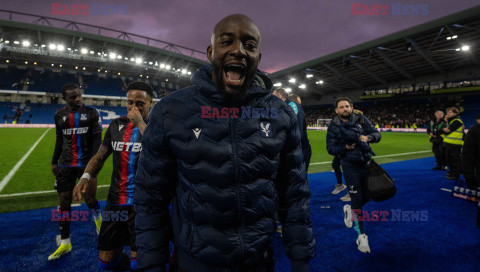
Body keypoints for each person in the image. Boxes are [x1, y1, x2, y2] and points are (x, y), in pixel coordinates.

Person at [134, 14, 316, 272]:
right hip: (193, 264)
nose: (238, 51)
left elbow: (294, 192)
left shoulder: (280, 114)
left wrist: (300, 259)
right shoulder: (171, 111)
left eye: (250, 46)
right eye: (226, 41)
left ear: (259, 59)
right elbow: (150, 195)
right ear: (210, 52)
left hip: (259, 263)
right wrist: (151, 262)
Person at [73, 82, 153, 271]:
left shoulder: (157, 126)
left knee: (138, 263)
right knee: (107, 262)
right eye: (130, 102)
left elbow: (161, 152)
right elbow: (100, 157)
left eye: (140, 103)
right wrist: (85, 177)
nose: (134, 107)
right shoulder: (116, 125)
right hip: (115, 201)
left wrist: (140, 124)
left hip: (143, 205)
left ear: (150, 102)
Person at [48, 83, 103, 261]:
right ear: (65, 98)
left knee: (90, 199)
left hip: (86, 165)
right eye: (72, 97)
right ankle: (65, 242)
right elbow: (59, 139)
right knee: (64, 202)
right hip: (65, 165)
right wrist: (54, 161)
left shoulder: (92, 113)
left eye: (79, 95)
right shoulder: (59, 115)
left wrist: (93, 165)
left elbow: (97, 141)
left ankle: (99, 222)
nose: (77, 99)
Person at [326, 97, 381, 253]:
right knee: (357, 200)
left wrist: (369, 138)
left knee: (367, 197)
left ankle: (349, 209)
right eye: (341, 107)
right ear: (336, 110)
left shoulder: (362, 119)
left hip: (366, 163)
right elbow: (330, 148)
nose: (345, 109)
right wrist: (345, 147)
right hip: (349, 166)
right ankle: (361, 236)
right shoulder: (334, 126)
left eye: (347, 106)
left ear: (351, 107)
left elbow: (377, 134)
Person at [439, 107, 465, 180]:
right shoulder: (450, 121)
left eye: (450, 112)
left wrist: (442, 130)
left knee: (455, 160)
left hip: (455, 144)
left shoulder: (457, 121)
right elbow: (445, 130)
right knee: (449, 160)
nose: (448, 114)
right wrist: (446, 121)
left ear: (455, 113)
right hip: (448, 144)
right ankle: (452, 172)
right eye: (447, 112)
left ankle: (455, 175)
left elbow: (447, 130)